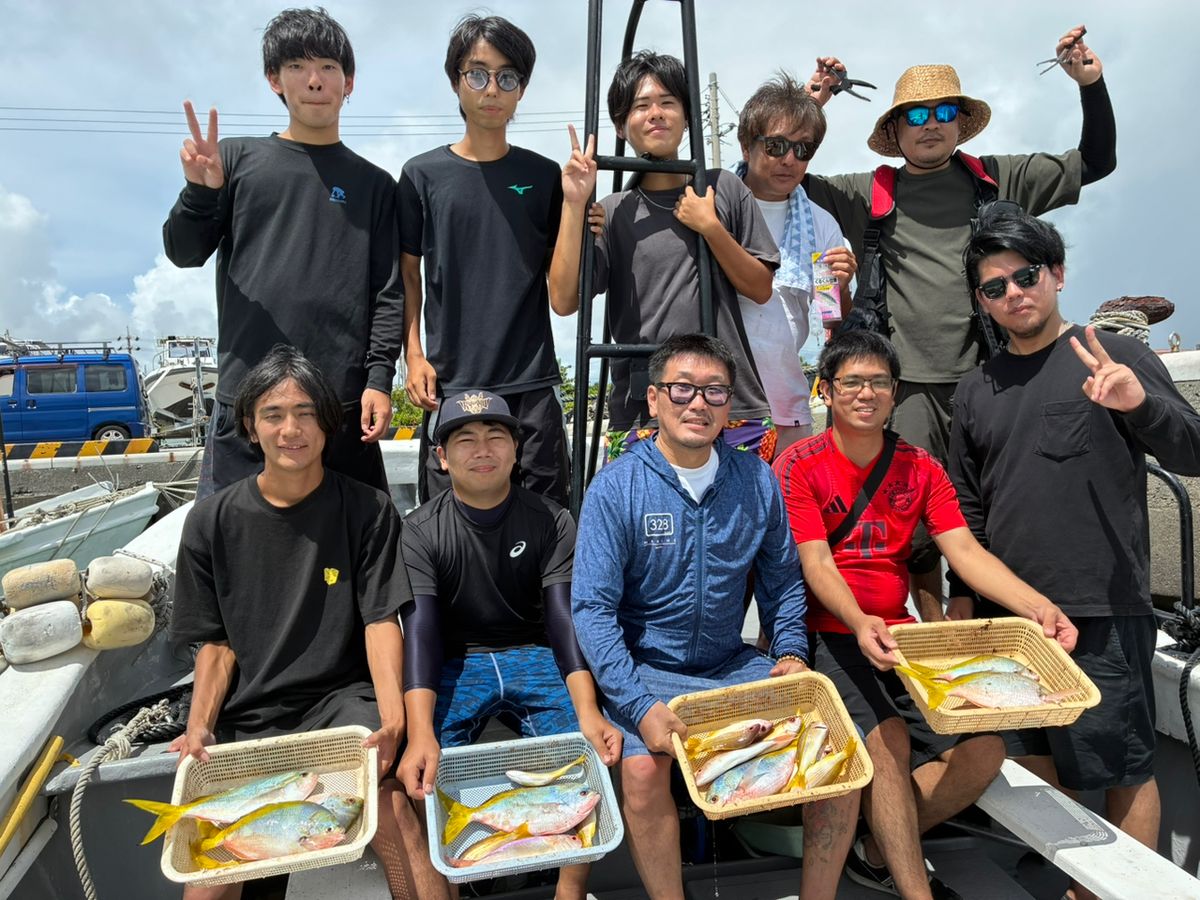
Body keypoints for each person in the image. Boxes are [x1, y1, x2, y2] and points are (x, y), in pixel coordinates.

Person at [804, 25, 1116, 617]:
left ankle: (975, 620)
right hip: (908, 386)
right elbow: (776, 172)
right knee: (911, 520)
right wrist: (812, 102)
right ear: (894, 130)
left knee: (986, 509)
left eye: (944, 110)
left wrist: (1090, 85)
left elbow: (1097, 162)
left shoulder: (999, 176)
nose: (930, 122)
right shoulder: (865, 190)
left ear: (960, 121)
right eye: (915, 113)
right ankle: (935, 632)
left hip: (993, 377)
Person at [774, 328, 1077, 899]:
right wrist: (860, 621)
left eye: (880, 382)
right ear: (827, 391)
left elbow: (964, 551)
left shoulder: (922, 468)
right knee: (888, 742)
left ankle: (872, 848)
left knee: (984, 749)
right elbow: (815, 563)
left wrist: (1038, 607)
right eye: (852, 382)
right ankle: (916, 891)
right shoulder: (798, 464)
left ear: (895, 392)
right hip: (827, 633)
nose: (867, 393)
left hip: (901, 635)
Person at [950, 207, 1200, 900]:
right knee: (1034, 770)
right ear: (981, 301)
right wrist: (967, 615)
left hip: (1102, 610)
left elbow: (1192, 448)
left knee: (1121, 770)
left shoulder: (1110, 353)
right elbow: (967, 516)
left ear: (1056, 274)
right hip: (1014, 626)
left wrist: (1137, 405)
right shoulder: (976, 390)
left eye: (1025, 276)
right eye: (994, 287)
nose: (1013, 295)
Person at [572, 334, 853, 900]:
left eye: (714, 391)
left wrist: (792, 654)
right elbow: (593, 610)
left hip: (732, 665)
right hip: (647, 674)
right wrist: (637, 704)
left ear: (730, 405)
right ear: (653, 399)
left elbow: (783, 583)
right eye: (682, 388)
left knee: (840, 759)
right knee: (643, 771)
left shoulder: (755, 481)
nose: (697, 403)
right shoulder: (615, 489)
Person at [169, 346, 445, 900]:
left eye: (305, 413)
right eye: (273, 414)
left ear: (327, 423)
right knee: (206, 878)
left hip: (341, 702)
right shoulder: (210, 522)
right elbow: (217, 643)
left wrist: (393, 722)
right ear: (250, 426)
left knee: (392, 808)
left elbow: (379, 621)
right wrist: (200, 723)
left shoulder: (368, 509)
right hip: (252, 715)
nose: (290, 429)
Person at [164, 7, 400, 500]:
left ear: (349, 82)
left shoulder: (376, 185)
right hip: (248, 402)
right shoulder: (236, 159)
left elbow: (387, 293)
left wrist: (379, 380)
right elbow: (183, 253)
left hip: (342, 403)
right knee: (233, 548)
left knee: (357, 552)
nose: (315, 80)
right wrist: (200, 194)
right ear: (274, 79)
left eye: (329, 68)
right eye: (297, 66)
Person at [396, 388, 620, 900]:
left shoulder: (552, 520)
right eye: (466, 439)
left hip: (533, 652)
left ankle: (569, 889)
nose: (483, 449)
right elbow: (423, 633)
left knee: (588, 755)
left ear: (516, 451)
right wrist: (420, 731)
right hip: (457, 662)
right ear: (441, 456)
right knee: (425, 773)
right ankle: (454, 879)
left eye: (496, 436)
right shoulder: (419, 531)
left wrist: (588, 710)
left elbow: (564, 620)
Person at [549, 52, 782, 461]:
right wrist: (573, 204)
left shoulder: (721, 188)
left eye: (668, 102)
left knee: (736, 523)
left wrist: (710, 227)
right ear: (622, 126)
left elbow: (760, 288)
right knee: (647, 523)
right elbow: (565, 301)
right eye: (641, 106)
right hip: (643, 410)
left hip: (730, 403)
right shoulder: (614, 209)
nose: (656, 114)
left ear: (688, 116)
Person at [399, 15, 571, 506]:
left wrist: (579, 210)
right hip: (450, 382)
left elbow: (563, 290)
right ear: (456, 81)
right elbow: (407, 275)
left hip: (532, 382)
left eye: (507, 76)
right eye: (477, 73)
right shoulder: (420, 176)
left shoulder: (544, 176)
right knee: (448, 528)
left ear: (521, 89)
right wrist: (413, 355)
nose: (491, 88)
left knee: (548, 527)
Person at [735, 72, 857, 454]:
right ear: (745, 146)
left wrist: (839, 285)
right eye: (775, 146)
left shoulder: (820, 224)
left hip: (785, 404)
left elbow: (831, 317)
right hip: (714, 398)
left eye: (803, 150)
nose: (789, 159)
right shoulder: (714, 206)